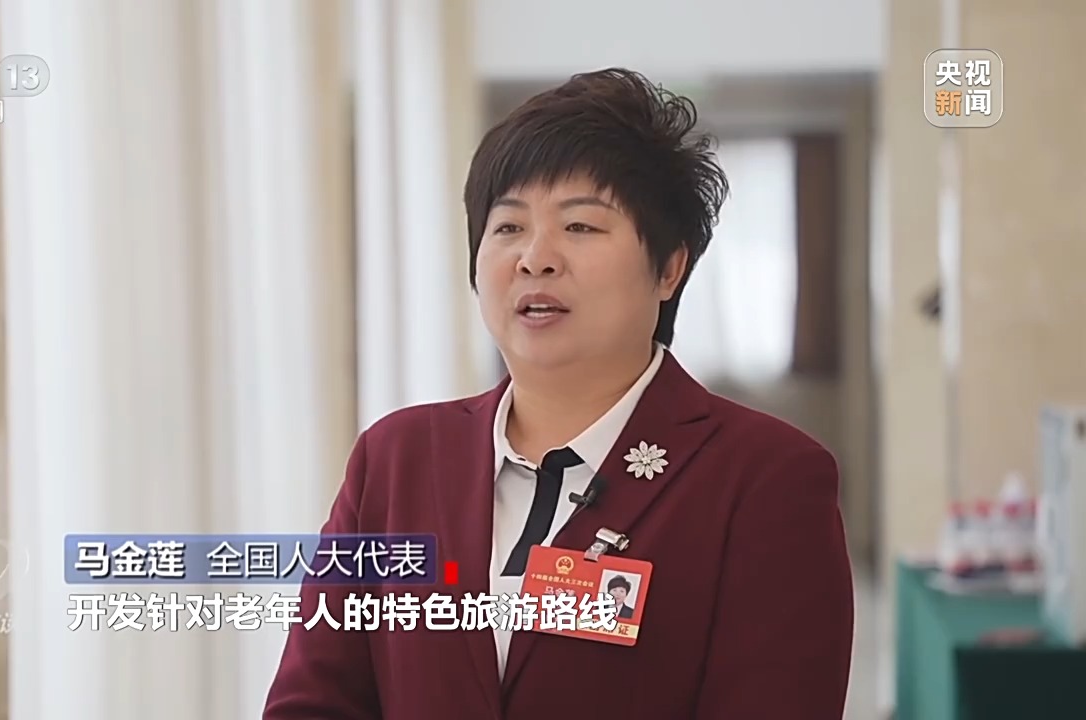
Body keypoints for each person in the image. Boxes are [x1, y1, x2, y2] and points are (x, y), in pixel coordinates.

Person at [265, 67, 854, 720]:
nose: (535, 258)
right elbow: (313, 701)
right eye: (508, 227)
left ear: (668, 268)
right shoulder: (396, 458)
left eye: (580, 227)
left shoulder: (766, 478)